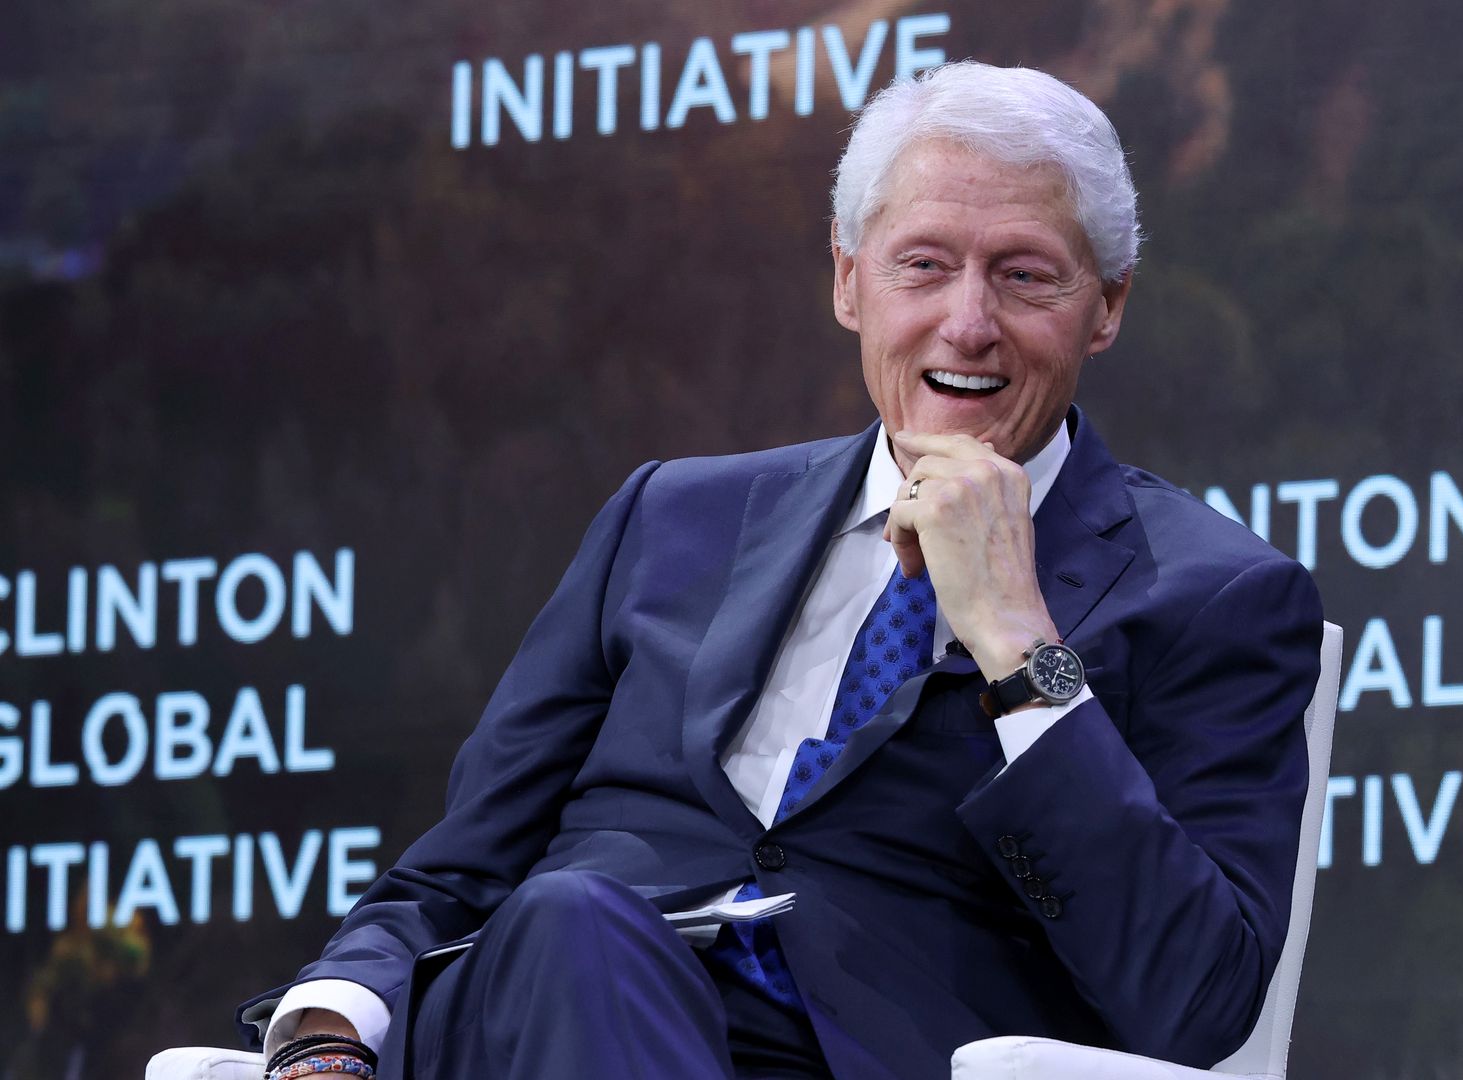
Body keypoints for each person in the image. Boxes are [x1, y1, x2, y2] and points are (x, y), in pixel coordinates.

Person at [235, 61, 1323, 1080]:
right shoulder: (671, 518)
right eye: (924, 265)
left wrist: (1019, 642)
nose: (968, 321)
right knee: (575, 921)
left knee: (577, 920)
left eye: (1025, 275)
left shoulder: (1215, 596)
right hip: (556, 1007)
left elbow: (1198, 998)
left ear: (1109, 307)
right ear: (851, 284)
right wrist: (326, 1030)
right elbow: (461, 866)